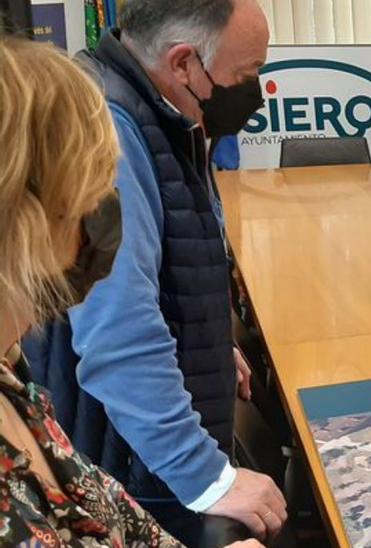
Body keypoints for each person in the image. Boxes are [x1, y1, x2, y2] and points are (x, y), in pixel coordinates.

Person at [19, 0, 286, 543]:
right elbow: (120, 333)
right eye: (246, 73)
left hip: (155, 443)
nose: (254, 90)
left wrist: (208, 339)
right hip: (145, 466)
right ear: (184, 62)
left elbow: (166, 268)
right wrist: (207, 479)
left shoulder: (162, 109)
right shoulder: (113, 130)